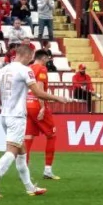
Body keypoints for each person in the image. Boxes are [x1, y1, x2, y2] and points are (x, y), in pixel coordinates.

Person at [0, 42, 69, 198]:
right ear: (26, 55)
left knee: (21, 152)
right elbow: (38, 93)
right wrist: (58, 98)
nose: (31, 61)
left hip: (4, 116)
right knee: (11, 152)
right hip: (17, 116)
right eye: (31, 57)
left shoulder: (2, 70)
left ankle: (30, 187)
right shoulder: (26, 70)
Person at [23, 49, 64, 180]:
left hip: (27, 104)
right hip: (37, 104)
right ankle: (47, 170)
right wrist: (42, 108)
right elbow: (39, 90)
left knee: (28, 137)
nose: (48, 61)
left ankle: (24, 170)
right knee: (52, 136)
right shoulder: (41, 69)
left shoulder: (28, 68)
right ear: (44, 58)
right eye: (48, 58)